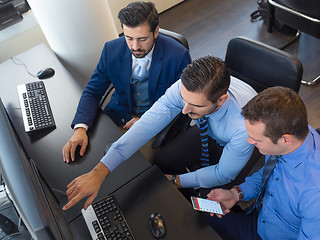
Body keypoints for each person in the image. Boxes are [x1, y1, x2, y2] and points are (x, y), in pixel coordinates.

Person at [62, 56, 257, 211]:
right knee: (163, 160)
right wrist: (100, 171)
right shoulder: (185, 88)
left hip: (241, 144)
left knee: (209, 198)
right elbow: (145, 127)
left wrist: (176, 181)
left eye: (195, 105)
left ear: (221, 101)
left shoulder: (243, 127)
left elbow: (222, 174)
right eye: (184, 99)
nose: (184, 110)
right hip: (208, 129)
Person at [62, 1, 191, 163]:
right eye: (129, 38)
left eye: (142, 39)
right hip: (117, 117)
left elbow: (184, 103)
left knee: (127, 168)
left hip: (155, 125)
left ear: (156, 32)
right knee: (86, 157)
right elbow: (93, 91)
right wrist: (80, 128)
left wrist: (146, 122)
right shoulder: (111, 50)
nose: (135, 46)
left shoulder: (178, 56)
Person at [205, 87, 320, 240]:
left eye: (257, 140)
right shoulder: (296, 132)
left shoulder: (314, 195)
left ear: (285, 139)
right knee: (202, 219)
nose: (249, 141)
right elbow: (268, 173)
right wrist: (235, 193)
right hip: (260, 220)